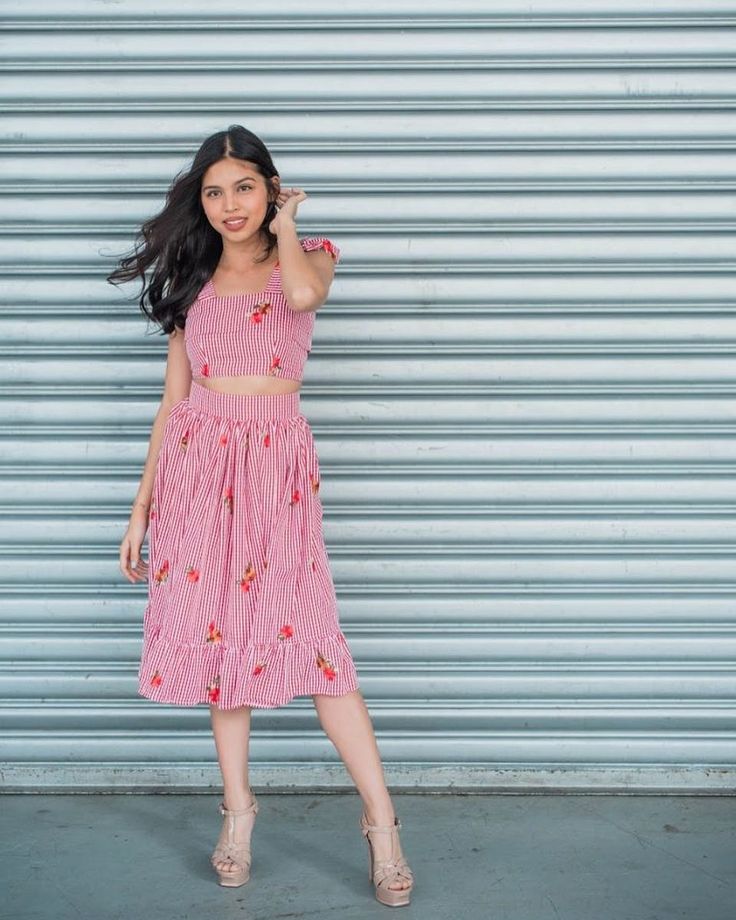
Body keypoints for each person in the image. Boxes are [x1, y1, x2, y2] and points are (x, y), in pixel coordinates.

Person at [110, 125, 414, 906]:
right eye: (213, 192)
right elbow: (172, 403)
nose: (226, 205)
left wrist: (285, 226)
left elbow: (306, 297)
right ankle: (238, 813)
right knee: (218, 640)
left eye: (243, 187)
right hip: (198, 468)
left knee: (316, 637)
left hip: (276, 465)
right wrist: (141, 506)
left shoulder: (306, 258)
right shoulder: (192, 280)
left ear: (269, 189)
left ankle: (382, 826)